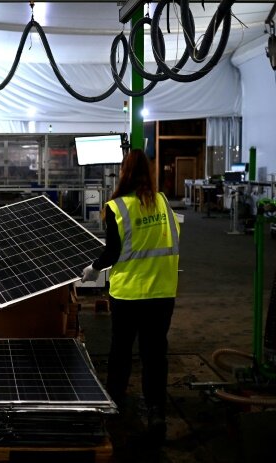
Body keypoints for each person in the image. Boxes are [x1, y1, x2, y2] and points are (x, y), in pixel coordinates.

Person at [81, 149, 180, 442]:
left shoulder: (117, 207)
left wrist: (93, 268)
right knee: (154, 354)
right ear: (149, 173)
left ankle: (115, 403)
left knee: (121, 351)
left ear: (123, 172)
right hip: (162, 292)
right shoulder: (162, 202)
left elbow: (113, 251)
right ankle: (156, 411)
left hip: (128, 294)